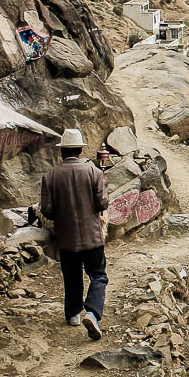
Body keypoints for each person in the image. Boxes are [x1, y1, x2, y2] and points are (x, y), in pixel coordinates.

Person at [40, 128, 109, 340]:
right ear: (80, 150)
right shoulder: (94, 173)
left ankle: (73, 314)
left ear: (62, 152)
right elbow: (102, 203)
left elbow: (47, 210)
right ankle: (93, 312)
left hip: (66, 238)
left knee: (71, 276)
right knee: (98, 275)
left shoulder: (50, 176)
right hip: (92, 237)